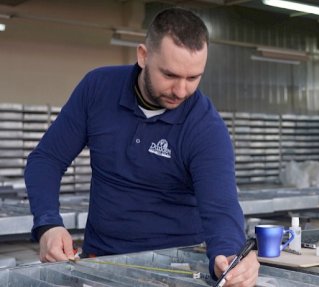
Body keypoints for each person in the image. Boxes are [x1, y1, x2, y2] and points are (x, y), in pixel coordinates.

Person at [24, 7, 259, 286]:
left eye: (193, 78)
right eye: (170, 75)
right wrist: (48, 224)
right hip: (100, 262)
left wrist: (230, 258)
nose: (181, 91)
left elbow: (221, 208)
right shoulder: (98, 88)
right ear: (143, 56)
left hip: (174, 269)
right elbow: (46, 159)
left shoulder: (205, 127)